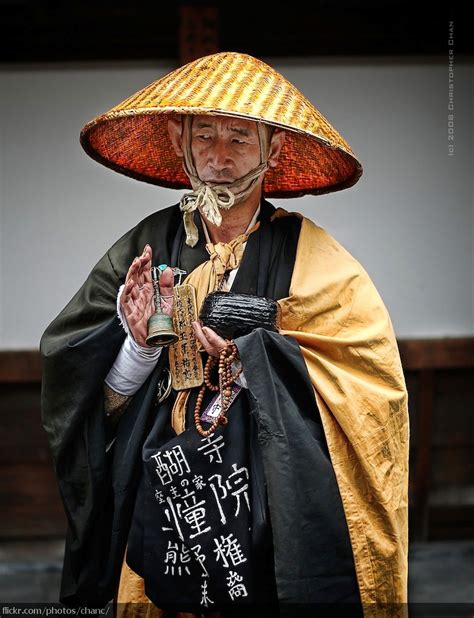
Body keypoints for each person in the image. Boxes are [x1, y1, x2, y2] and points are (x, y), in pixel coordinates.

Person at [40, 52, 409, 618]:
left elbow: (369, 393)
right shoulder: (144, 246)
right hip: (161, 494)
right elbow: (85, 396)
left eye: (240, 138)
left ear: (274, 150)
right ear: (178, 138)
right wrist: (137, 350)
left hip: (265, 503)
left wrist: (254, 361)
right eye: (204, 135)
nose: (219, 157)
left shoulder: (315, 258)